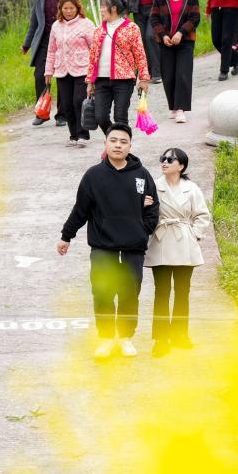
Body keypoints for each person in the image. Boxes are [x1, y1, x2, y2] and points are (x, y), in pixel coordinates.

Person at [58, 124, 160, 359]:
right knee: (102, 293)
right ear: (105, 144)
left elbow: (153, 208)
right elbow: (80, 210)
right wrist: (66, 236)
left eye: (123, 141)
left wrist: (141, 231)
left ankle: (125, 338)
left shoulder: (141, 175)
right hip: (103, 248)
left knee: (129, 293)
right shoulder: (94, 176)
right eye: (113, 140)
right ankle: (105, 338)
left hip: (133, 248)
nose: (118, 145)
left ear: (130, 146)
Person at [144, 148, 211, 356]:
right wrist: (143, 206)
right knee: (161, 292)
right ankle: (161, 339)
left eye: (169, 159)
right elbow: (144, 213)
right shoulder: (153, 186)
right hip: (161, 240)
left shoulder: (191, 189)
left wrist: (194, 234)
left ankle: (180, 335)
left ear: (181, 166)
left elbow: (203, 215)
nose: (164, 162)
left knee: (183, 292)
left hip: (184, 242)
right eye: (162, 159)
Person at [86, 0, 150, 136]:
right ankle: (115, 141)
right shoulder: (98, 30)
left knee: (120, 118)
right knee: (100, 117)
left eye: (103, 6)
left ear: (113, 8)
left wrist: (144, 78)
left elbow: (140, 54)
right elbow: (93, 58)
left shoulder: (132, 28)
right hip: (101, 80)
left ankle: (121, 150)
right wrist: (90, 81)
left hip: (124, 80)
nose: (101, 10)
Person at [21, 0, 75, 127]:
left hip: (65, 39)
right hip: (45, 40)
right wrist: (26, 44)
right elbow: (34, 23)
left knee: (63, 77)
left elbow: (78, 16)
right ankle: (42, 112)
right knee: (40, 76)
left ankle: (62, 115)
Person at [149, 0, 201, 123]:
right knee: (169, 75)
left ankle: (180, 109)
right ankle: (173, 106)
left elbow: (194, 18)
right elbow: (154, 18)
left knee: (183, 74)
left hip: (185, 41)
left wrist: (180, 33)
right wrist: (163, 35)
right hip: (166, 42)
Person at [44, 0, 95, 147]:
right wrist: (48, 72)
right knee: (66, 105)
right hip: (62, 69)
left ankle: (83, 135)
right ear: (61, 9)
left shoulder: (86, 23)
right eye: (65, 8)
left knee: (78, 101)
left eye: (71, 8)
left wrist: (94, 72)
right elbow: (51, 50)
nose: (68, 11)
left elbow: (95, 49)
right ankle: (73, 135)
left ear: (77, 8)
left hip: (82, 69)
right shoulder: (56, 26)